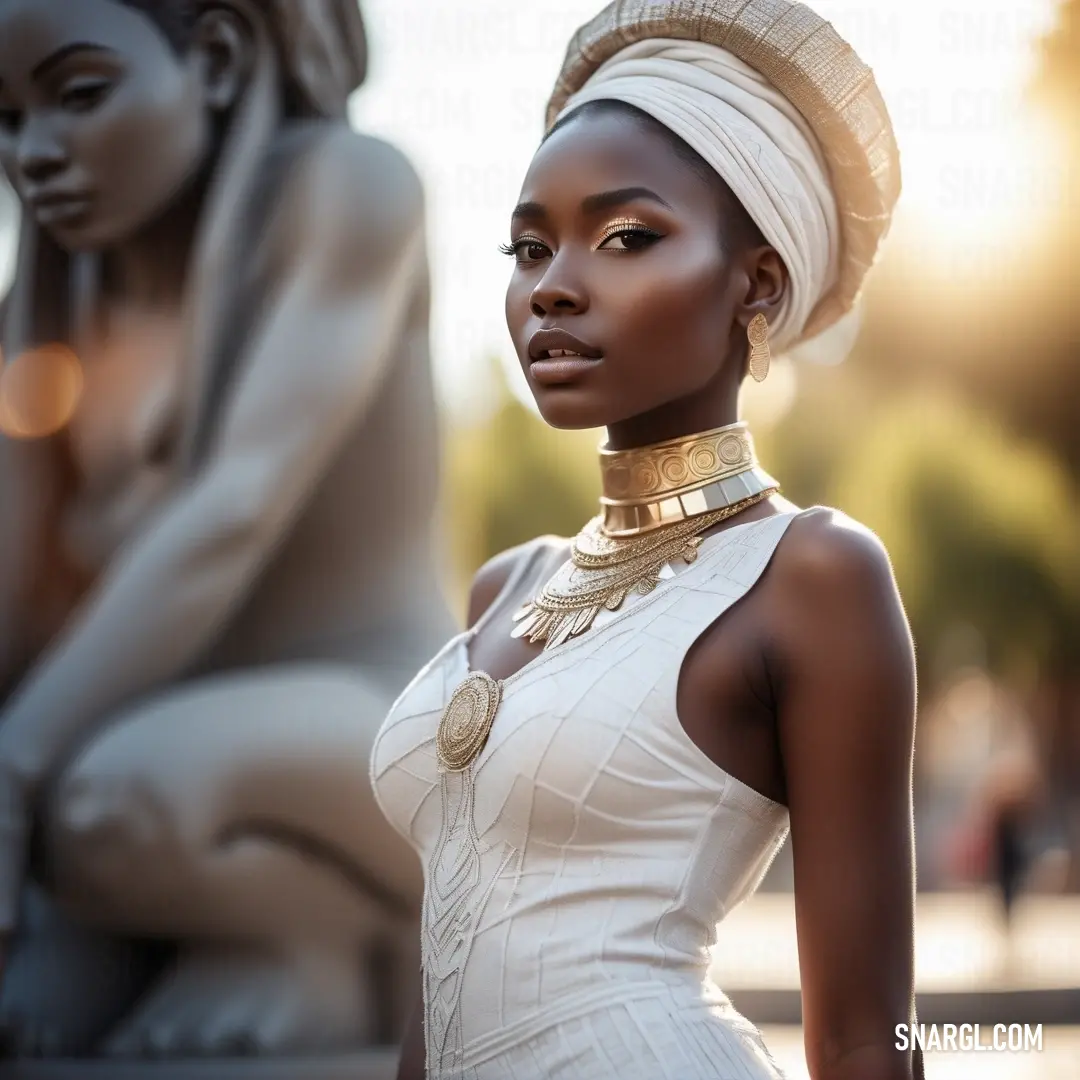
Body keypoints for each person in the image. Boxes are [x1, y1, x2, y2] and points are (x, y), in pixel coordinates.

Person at [373, 2, 925, 1078]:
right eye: (529, 246)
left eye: (626, 237)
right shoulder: (508, 586)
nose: (552, 287)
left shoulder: (811, 576)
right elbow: (440, 981)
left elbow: (868, 1036)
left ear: (755, 283)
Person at [0, 0, 452, 1058]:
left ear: (213, 58)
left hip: (370, 722)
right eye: (7, 120)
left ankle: (326, 939)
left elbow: (235, 507)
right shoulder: (55, 294)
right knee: (38, 994)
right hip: (150, 732)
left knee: (112, 800)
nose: (37, 154)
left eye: (78, 96)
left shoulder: (349, 189)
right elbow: (17, 571)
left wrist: (15, 770)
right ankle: (170, 925)